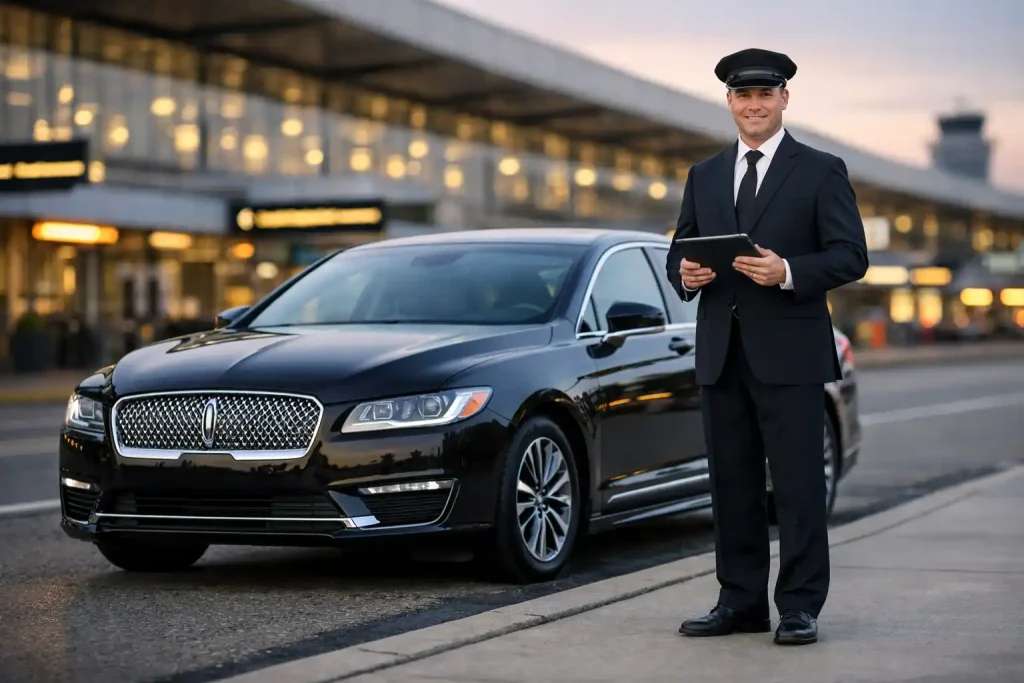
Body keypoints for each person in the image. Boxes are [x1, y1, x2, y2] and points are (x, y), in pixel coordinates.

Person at [665, 48, 868, 646]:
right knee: (732, 484)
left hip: (792, 352)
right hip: (721, 351)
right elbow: (682, 246)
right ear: (729, 102)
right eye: (742, 95)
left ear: (784, 99)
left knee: (800, 486)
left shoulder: (820, 169)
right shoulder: (704, 173)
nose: (754, 105)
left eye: (765, 94)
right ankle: (741, 602)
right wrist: (686, 274)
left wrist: (786, 270)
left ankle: (800, 606)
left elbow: (850, 256)